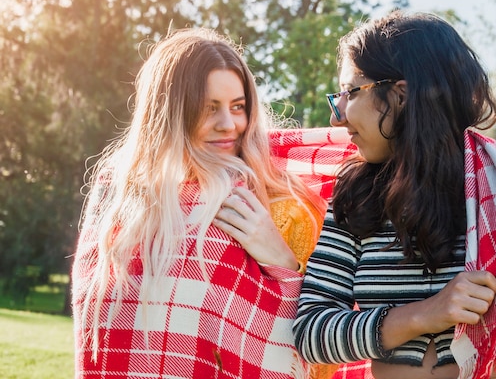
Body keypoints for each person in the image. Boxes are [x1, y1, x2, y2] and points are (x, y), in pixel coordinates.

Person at [293, 11, 496, 379]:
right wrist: (427, 313)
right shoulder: (356, 198)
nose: (337, 116)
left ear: (400, 95)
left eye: (350, 92)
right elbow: (311, 333)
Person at [71, 28, 329, 378]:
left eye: (238, 107)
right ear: (169, 113)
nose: (229, 125)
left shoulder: (284, 209)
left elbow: (319, 361)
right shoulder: (117, 200)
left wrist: (281, 261)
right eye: (209, 108)